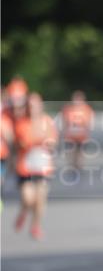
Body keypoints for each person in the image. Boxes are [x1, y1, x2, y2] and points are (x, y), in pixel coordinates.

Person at [13, 92, 58, 240]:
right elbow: (20, 144)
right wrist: (36, 141)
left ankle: (35, 226)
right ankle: (24, 211)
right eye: (30, 105)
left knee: (40, 199)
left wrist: (48, 143)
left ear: (41, 106)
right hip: (25, 166)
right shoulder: (21, 123)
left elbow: (52, 142)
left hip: (43, 166)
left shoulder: (47, 121)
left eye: (36, 105)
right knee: (28, 199)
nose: (33, 108)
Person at [61, 90, 94, 171]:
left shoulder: (86, 109)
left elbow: (88, 123)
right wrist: (64, 132)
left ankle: (79, 166)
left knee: (79, 152)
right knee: (71, 152)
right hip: (70, 135)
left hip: (81, 135)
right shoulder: (68, 109)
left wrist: (87, 133)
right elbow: (65, 121)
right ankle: (72, 165)